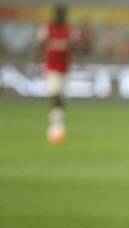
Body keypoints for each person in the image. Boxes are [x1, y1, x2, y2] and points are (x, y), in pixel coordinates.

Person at [39, 4, 71, 144]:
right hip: (52, 68)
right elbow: (39, 45)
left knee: (60, 96)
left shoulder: (68, 30)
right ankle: (55, 127)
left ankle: (59, 124)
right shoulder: (47, 29)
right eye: (58, 13)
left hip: (64, 68)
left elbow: (74, 47)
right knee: (55, 95)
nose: (60, 16)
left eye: (62, 13)